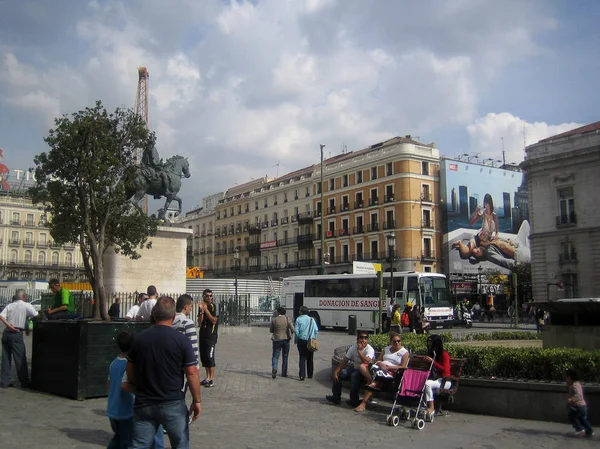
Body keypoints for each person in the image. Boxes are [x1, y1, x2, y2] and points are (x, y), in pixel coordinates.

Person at [126, 296, 202, 449]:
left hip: (145, 401)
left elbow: (130, 368)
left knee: (140, 445)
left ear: (153, 316)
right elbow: (192, 373)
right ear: (173, 316)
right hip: (172, 401)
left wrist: (136, 386)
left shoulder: (139, 339)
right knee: (180, 444)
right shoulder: (181, 340)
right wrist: (196, 400)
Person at [354, 332, 409, 412]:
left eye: (399, 341)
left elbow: (403, 366)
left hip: (390, 372)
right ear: (391, 342)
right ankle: (372, 380)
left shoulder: (404, 352)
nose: (397, 343)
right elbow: (378, 360)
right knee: (362, 366)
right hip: (378, 368)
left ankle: (363, 403)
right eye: (394, 341)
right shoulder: (386, 349)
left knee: (376, 382)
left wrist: (389, 367)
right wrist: (380, 363)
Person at [0, 289, 38, 388]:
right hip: (16, 333)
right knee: (20, 357)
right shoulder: (26, 305)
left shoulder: (10, 305)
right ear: (24, 296)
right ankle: (24, 381)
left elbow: (1, 316)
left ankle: (5, 381)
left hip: (7, 333)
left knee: (6, 357)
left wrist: (9, 326)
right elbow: (36, 315)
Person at [326, 331, 374, 407]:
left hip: (365, 372)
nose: (363, 340)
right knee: (340, 373)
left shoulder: (369, 349)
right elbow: (344, 361)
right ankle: (336, 397)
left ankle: (354, 400)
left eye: (365, 338)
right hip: (355, 369)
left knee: (354, 376)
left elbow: (366, 361)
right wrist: (336, 372)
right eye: (361, 338)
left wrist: (359, 351)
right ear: (357, 339)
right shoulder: (353, 348)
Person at [173, 294, 200, 391]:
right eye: (191, 306)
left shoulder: (170, 320)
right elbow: (193, 346)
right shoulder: (187, 323)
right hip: (184, 364)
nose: (192, 309)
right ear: (185, 307)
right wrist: (195, 364)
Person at [423, 335, 451, 418]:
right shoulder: (432, 353)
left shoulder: (444, 354)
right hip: (435, 379)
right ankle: (422, 406)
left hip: (444, 380)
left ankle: (431, 407)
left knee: (427, 384)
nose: (430, 345)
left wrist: (433, 362)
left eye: (431, 343)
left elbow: (445, 370)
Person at [198, 288, 218, 387]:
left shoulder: (215, 306)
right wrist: (202, 311)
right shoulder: (202, 306)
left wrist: (206, 310)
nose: (209, 297)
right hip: (203, 335)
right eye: (207, 295)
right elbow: (199, 322)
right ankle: (207, 377)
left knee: (210, 357)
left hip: (211, 336)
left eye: (210, 296)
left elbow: (214, 320)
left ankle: (211, 379)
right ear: (203, 296)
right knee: (204, 357)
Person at [566, 368, 595, 437]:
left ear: (570, 377)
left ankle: (580, 429)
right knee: (582, 419)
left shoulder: (574, 385)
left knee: (573, 416)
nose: (566, 379)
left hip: (578, 406)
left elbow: (578, 394)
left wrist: (572, 399)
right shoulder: (576, 384)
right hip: (581, 406)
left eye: (567, 377)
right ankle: (589, 431)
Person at [270, 306, 294, 379]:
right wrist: (291, 333)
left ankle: (274, 368)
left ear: (278, 312)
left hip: (277, 339)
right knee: (285, 356)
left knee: (275, 356)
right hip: (286, 339)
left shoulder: (274, 320)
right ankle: (284, 373)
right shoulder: (287, 319)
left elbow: (271, 330)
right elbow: (292, 329)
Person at [294, 306, 318, 381]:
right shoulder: (312, 319)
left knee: (302, 357)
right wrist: (314, 338)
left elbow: (296, 331)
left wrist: (297, 339)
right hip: (310, 340)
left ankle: (302, 375)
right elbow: (316, 330)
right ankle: (310, 374)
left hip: (301, 340)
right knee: (310, 358)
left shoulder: (298, 319)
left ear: (301, 312)